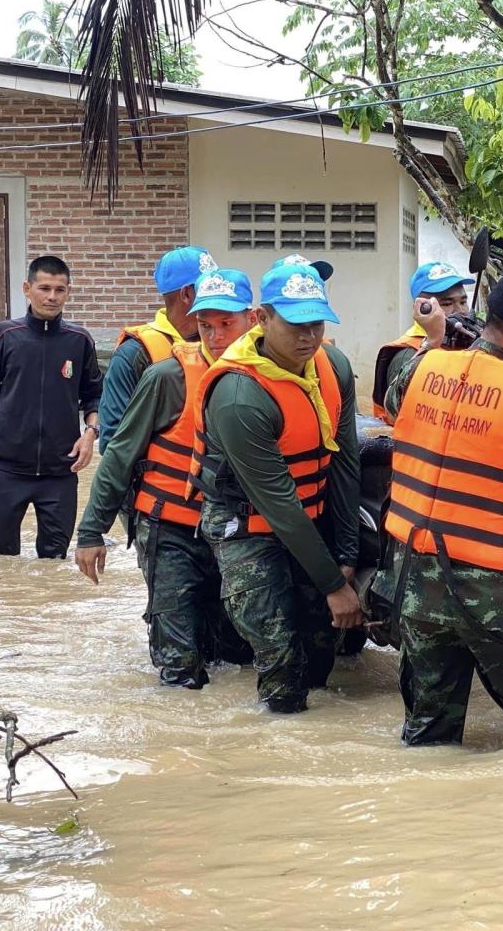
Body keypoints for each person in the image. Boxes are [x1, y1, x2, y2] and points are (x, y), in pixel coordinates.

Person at [381, 271, 503, 747]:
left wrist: (434, 342)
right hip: (492, 589)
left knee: (429, 728)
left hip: (413, 583)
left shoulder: (421, 370)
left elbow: (391, 406)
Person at [190, 262, 363, 713]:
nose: (309, 337)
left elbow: (344, 462)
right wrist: (333, 584)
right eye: (296, 325)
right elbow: (279, 504)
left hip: (310, 516)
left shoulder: (334, 366)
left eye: (316, 324)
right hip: (247, 527)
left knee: (320, 655)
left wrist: (346, 554)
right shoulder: (239, 395)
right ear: (262, 319)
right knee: (282, 663)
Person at [72, 269, 257, 689]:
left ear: (253, 320)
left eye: (226, 324)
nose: (215, 336)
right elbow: (120, 454)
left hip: (234, 533)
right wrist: (91, 533)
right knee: (180, 666)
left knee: (235, 656)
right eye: (205, 325)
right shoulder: (167, 377)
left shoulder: (268, 375)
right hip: (170, 528)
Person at [0, 255, 102, 559]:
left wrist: (90, 434)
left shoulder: (79, 340)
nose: (52, 297)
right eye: (44, 288)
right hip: (7, 468)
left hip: (61, 470)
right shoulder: (5, 335)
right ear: (27, 289)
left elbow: (94, 396)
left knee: (54, 560)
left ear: (68, 292)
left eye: (60, 290)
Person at [100, 246, 216, 453]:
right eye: (210, 287)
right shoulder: (133, 354)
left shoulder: (221, 343)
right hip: (162, 471)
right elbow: (112, 442)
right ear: (187, 294)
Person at [371, 261, 475, 423]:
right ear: (422, 308)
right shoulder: (408, 355)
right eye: (447, 304)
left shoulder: (464, 345)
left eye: (463, 302)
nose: (461, 311)